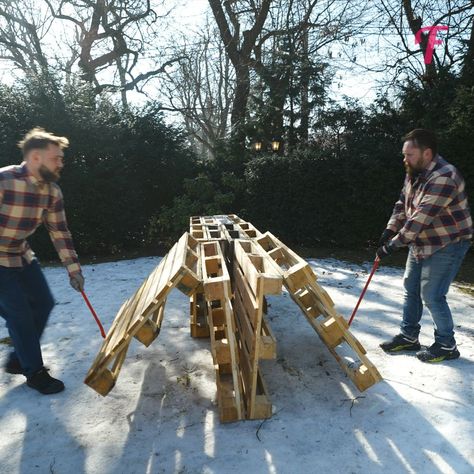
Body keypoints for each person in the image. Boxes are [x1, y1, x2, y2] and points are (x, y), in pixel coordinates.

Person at [0, 127, 85, 394]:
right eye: (56, 158)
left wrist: (74, 270)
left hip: (20, 253)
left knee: (44, 303)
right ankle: (35, 372)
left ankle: (18, 358)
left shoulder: (52, 192)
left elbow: (59, 232)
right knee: (19, 313)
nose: (61, 162)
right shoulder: (4, 181)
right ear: (35, 158)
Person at [377, 129, 472, 363]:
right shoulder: (415, 171)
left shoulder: (444, 177)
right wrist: (390, 229)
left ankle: (446, 344)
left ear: (427, 153)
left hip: (447, 242)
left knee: (432, 294)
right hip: (422, 241)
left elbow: (419, 219)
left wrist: (391, 246)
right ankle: (409, 336)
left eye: (409, 154)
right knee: (411, 286)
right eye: (404, 154)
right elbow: (403, 204)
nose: (404, 159)